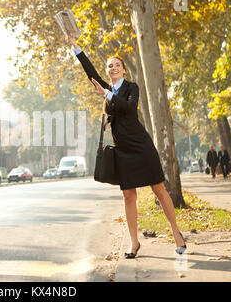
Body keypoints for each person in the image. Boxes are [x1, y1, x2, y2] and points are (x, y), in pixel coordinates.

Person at [67, 36, 186, 258]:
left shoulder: (132, 87)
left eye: (117, 65)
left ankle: (177, 233)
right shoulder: (105, 88)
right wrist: (76, 48)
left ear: (123, 70)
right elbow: (90, 72)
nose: (113, 68)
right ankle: (134, 243)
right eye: (109, 66)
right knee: (128, 195)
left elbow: (130, 109)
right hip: (122, 149)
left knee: (158, 189)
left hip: (141, 145)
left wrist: (107, 94)